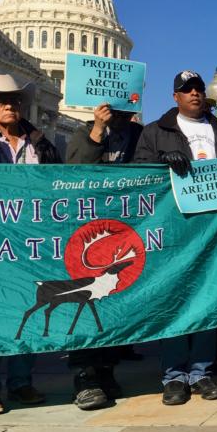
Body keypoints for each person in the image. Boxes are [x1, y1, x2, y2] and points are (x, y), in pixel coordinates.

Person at [134, 70, 217, 404]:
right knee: (176, 299)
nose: (195, 94)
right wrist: (161, 163)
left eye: (198, 89)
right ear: (175, 97)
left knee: (209, 297)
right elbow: (139, 172)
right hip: (175, 228)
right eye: (186, 89)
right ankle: (174, 374)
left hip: (214, 228)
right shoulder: (155, 132)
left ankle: (201, 371)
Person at [0, 75, 58, 415]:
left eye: (15, 100)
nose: (9, 105)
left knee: (27, 310)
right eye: (1, 100)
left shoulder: (40, 143)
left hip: (30, 241)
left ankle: (21, 382)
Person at [65, 102, 144, 410]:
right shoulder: (84, 132)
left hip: (127, 227)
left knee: (114, 300)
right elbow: (74, 167)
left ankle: (107, 369)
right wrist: (98, 129)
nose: (120, 115)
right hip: (88, 228)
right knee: (86, 300)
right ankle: (86, 375)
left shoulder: (141, 135)